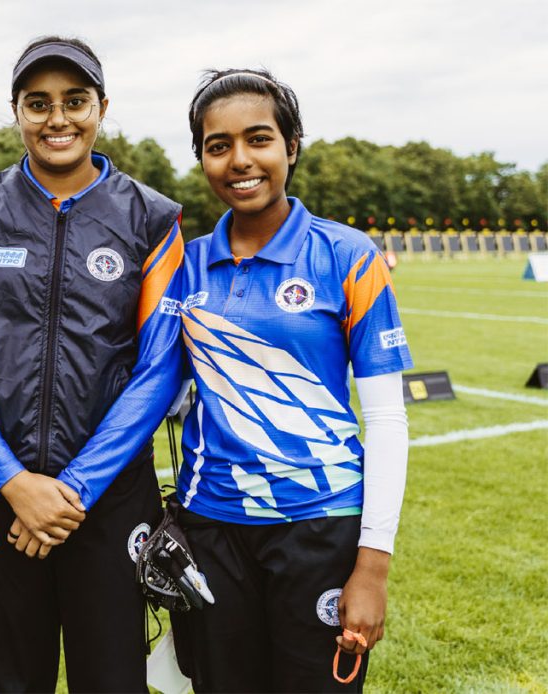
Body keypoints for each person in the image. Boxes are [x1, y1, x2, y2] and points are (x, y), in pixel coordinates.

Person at [0, 36, 185, 692]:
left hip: (107, 502)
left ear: (103, 106)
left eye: (75, 101)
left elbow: (158, 370)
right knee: (15, 681)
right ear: (15, 111)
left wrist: (72, 488)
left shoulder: (152, 217)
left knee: (113, 681)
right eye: (38, 103)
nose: (58, 119)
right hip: (0, 500)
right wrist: (14, 483)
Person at [171, 68, 412, 692]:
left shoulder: (348, 254)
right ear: (201, 156)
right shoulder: (182, 263)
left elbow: (386, 418)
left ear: (292, 146)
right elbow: (162, 392)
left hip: (321, 528)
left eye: (259, 139)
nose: (239, 160)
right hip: (211, 529)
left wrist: (373, 565)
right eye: (217, 146)